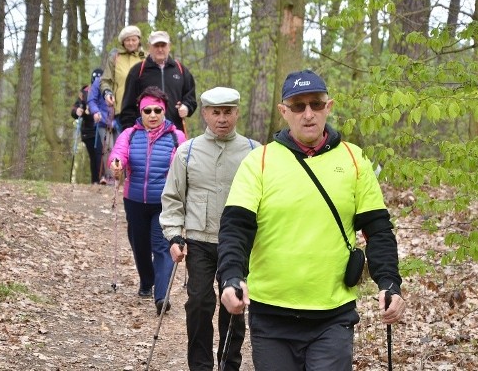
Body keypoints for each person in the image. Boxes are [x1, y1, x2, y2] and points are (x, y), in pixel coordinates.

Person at [217, 70, 406, 370]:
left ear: (328, 107)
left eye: (316, 104)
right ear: (284, 112)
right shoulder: (260, 161)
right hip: (271, 316)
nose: (308, 114)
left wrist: (389, 283)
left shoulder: (354, 160)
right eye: (298, 106)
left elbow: (378, 229)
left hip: (333, 316)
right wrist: (230, 276)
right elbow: (236, 228)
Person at [160, 87, 260, 371]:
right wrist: (174, 235)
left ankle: (229, 364)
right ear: (204, 113)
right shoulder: (187, 152)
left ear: (237, 112)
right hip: (199, 240)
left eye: (228, 112)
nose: (222, 118)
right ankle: (200, 366)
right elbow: (172, 198)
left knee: (235, 305)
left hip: (240, 243)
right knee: (200, 303)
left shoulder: (255, 152)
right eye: (216, 112)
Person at [108, 86, 186, 314]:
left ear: (164, 111)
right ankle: (146, 282)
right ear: (141, 112)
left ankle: (161, 296)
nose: (152, 115)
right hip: (134, 201)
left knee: (162, 247)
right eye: (147, 110)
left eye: (157, 110)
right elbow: (118, 154)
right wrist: (116, 164)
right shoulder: (129, 134)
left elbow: (183, 164)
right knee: (139, 245)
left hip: (164, 202)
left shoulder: (176, 136)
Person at [120, 30, 197, 132]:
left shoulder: (181, 70)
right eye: (156, 46)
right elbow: (128, 107)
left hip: (174, 132)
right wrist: (129, 133)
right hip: (144, 134)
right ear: (149, 47)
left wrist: (186, 107)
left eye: (163, 45)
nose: (160, 49)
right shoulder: (138, 71)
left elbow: (190, 97)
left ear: (169, 46)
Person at [100, 25, 145, 131]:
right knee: (126, 142)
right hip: (122, 109)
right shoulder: (115, 58)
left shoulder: (145, 57)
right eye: (127, 40)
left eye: (134, 39)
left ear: (139, 40)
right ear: (123, 42)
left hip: (144, 109)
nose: (131, 43)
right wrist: (107, 93)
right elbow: (105, 80)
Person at [71, 71, 99, 184]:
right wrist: (77, 111)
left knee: (103, 155)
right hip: (89, 131)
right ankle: (95, 181)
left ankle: (104, 179)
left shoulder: (107, 91)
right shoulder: (85, 92)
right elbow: (75, 109)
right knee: (94, 156)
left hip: (104, 129)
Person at [87, 68, 114, 184]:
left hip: (119, 120)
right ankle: (107, 177)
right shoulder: (98, 81)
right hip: (103, 120)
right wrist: (95, 111)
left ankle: (116, 178)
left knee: (119, 149)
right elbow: (91, 100)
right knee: (107, 148)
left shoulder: (122, 80)